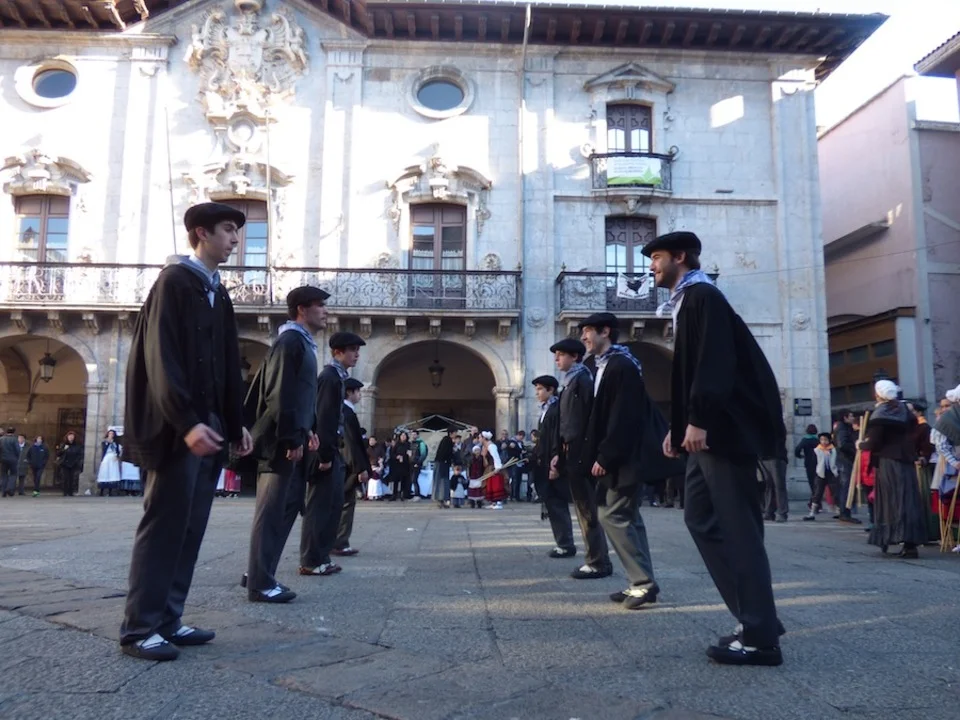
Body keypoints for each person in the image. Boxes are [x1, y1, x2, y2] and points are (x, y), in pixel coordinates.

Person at [120, 202, 253, 662]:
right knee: (164, 525)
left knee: (191, 527)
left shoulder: (219, 293)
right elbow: (161, 357)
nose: (235, 239)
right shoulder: (174, 282)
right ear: (201, 233)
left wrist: (235, 423)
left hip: (209, 425)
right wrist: (186, 421)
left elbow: (228, 364)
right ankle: (140, 628)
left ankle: (168, 619)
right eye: (227, 229)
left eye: (236, 231)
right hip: (179, 428)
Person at [647, 230, 784, 666]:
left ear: (680, 257)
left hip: (721, 432)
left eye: (657, 257)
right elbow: (689, 373)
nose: (651, 266)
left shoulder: (703, 297)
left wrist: (700, 419)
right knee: (700, 518)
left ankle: (761, 639)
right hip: (704, 432)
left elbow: (714, 363)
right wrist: (678, 426)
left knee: (738, 529)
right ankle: (755, 616)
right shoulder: (689, 300)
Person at [579, 313, 671, 611]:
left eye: (588, 331)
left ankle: (642, 583)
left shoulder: (621, 365)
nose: (583, 338)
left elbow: (623, 415)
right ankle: (640, 582)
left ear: (605, 331)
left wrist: (606, 456)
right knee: (628, 517)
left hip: (625, 456)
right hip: (620, 455)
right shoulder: (603, 365)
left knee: (612, 515)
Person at [244, 285, 326, 604]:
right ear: (302, 309)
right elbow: (280, 392)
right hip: (280, 440)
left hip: (292, 436)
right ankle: (260, 582)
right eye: (319, 305)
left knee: (282, 508)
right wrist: (292, 436)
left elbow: (302, 394)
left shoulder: (300, 342)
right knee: (270, 511)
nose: (325, 311)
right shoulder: (290, 341)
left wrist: (309, 429)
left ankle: (260, 573)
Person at [300, 331, 364, 577]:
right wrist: (325, 456)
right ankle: (311, 559)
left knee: (333, 506)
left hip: (331, 451)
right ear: (338, 352)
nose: (357, 355)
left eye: (357, 350)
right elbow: (325, 418)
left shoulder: (336, 377)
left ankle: (321, 556)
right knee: (320, 508)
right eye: (352, 350)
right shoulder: (330, 377)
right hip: (326, 452)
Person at [551, 337, 612, 580]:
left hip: (581, 452)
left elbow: (588, 419)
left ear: (575, 357)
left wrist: (585, 451)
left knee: (587, 508)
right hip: (571, 451)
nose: (557, 359)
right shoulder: (569, 382)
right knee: (582, 507)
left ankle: (598, 561)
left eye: (561, 355)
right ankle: (596, 558)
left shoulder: (583, 380)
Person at [864, 381, 928, 558]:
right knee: (908, 499)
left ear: (878, 395)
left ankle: (888, 537)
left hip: (888, 461)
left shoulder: (880, 413)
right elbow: (914, 431)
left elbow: (874, 441)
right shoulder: (905, 411)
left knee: (891, 499)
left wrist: (862, 444)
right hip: (906, 459)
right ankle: (910, 543)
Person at [532, 375, 575, 557]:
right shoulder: (545, 410)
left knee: (557, 504)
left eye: (540, 389)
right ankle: (562, 542)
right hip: (543, 463)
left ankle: (565, 544)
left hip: (553, 464)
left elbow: (558, 437)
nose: (537, 393)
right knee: (552, 504)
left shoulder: (556, 409)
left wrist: (556, 463)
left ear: (550, 390)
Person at [334, 378, 371, 556]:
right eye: (358, 392)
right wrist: (360, 468)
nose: (360, 395)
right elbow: (351, 444)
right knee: (346, 503)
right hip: (348, 466)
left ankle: (337, 541)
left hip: (345, 464)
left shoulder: (344, 411)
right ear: (349, 392)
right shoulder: (347, 413)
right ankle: (340, 542)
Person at [834, 409, 860, 523]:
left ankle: (844, 511)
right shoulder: (842, 428)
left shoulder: (844, 428)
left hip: (844, 460)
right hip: (845, 460)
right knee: (846, 486)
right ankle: (845, 512)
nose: (852, 418)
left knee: (845, 486)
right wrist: (854, 450)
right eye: (851, 416)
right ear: (845, 417)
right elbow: (842, 444)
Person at [804, 433, 838, 521]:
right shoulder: (817, 450)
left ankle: (839, 511)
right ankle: (812, 512)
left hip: (831, 473)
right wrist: (815, 473)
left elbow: (836, 461)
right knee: (817, 493)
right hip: (820, 473)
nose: (824, 442)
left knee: (835, 492)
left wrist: (836, 471)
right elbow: (814, 462)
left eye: (825, 440)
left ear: (829, 440)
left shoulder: (833, 450)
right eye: (822, 440)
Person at [759, 442, 789, 523]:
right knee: (768, 486)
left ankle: (782, 512)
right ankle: (769, 511)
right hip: (763, 456)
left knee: (779, 486)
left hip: (776, 456)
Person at [794, 424, 819, 510]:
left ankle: (814, 503)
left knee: (812, 484)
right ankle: (814, 502)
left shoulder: (805, 440)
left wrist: (800, 456)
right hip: (818, 463)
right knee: (818, 484)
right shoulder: (818, 440)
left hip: (809, 464)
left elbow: (797, 449)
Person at [480, 431, 507, 508]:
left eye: (480, 437)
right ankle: (493, 503)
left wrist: (497, 467)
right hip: (489, 467)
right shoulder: (485, 446)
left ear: (484, 438)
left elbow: (496, 457)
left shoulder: (491, 446)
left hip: (494, 467)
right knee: (490, 485)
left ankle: (498, 503)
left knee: (496, 485)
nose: (479, 439)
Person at [433, 428, 456, 508]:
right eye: (455, 433)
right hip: (442, 464)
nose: (455, 434)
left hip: (443, 463)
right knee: (442, 482)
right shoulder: (447, 441)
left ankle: (442, 500)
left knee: (444, 482)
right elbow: (445, 453)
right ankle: (440, 500)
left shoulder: (447, 441)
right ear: (451, 433)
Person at [57, 431, 83, 497]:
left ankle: (70, 492)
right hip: (65, 464)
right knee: (65, 478)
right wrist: (64, 449)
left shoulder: (77, 445)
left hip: (73, 463)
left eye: (72, 436)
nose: (71, 438)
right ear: (67, 437)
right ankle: (65, 492)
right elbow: (59, 453)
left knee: (72, 478)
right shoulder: (64, 444)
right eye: (69, 436)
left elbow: (80, 454)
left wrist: (77, 461)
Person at [98, 430, 122, 497]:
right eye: (110, 433)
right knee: (104, 473)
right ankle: (101, 491)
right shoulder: (104, 442)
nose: (111, 435)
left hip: (113, 458)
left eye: (112, 434)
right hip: (106, 458)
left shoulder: (116, 443)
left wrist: (117, 456)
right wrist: (108, 443)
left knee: (112, 473)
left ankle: (110, 491)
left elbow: (118, 450)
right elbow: (104, 449)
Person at [391, 431, 412, 501]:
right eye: (402, 436)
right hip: (397, 465)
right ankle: (394, 494)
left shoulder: (408, 444)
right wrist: (397, 457)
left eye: (404, 436)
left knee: (404, 480)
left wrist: (409, 455)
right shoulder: (397, 444)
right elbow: (392, 454)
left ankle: (402, 494)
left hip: (405, 464)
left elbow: (411, 453)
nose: (403, 437)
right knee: (396, 480)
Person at [0, 427, 19, 497]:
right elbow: (17, 450)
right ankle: (9, 487)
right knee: (13, 474)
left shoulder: (1, 439)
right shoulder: (14, 439)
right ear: (13, 432)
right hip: (13, 459)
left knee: (4, 475)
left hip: (3, 459)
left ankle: (3, 491)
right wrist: (17, 457)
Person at [410, 430, 427, 498]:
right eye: (412, 434)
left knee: (414, 479)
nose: (413, 436)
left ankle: (417, 495)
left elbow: (423, 454)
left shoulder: (421, 443)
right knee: (412, 479)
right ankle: (413, 493)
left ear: (417, 435)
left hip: (417, 463)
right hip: (411, 463)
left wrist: (418, 463)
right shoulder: (411, 443)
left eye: (414, 434)